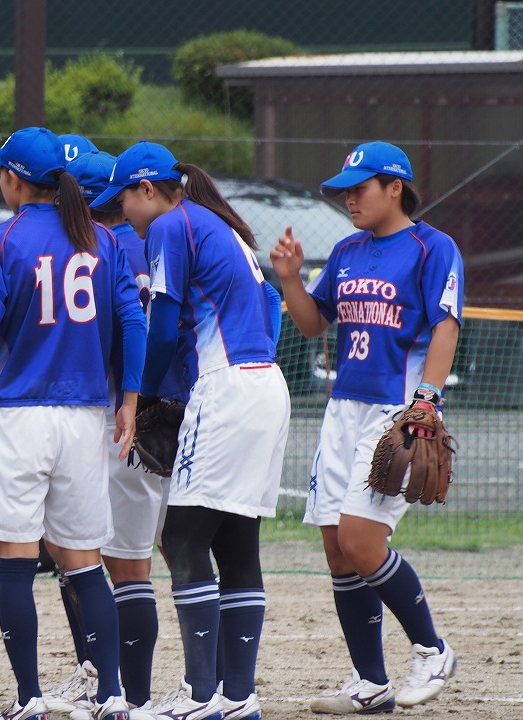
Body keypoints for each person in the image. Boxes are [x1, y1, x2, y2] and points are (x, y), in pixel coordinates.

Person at [91, 140, 290, 720]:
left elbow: (158, 328)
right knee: (234, 543)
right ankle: (237, 697)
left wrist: (143, 393)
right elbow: (269, 305)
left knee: (181, 538)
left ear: (147, 189)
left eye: (122, 198)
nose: (120, 212)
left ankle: (202, 695)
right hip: (266, 384)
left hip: (226, 387)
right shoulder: (218, 225)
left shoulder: (173, 227)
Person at [0, 127, 145, 720]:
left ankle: (30, 697)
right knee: (84, 561)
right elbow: (132, 324)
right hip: (88, 413)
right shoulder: (100, 238)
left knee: (16, 559)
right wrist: (129, 401)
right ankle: (112, 695)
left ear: (13, 180)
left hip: (23, 412)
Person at [271, 141, 461, 714]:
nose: (349, 199)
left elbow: (445, 326)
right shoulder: (347, 250)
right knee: (336, 547)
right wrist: (290, 281)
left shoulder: (431, 247)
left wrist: (426, 402)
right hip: (343, 408)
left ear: (394, 187)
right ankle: (371, 682)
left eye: (360, 188)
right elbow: (311, 324)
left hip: (398, 410)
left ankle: (432, 648)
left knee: (360, 539)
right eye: (345, 191)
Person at [40, 148, 178, 719]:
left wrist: (133, 396)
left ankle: (126, 692)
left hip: (117, 412)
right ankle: (103, 678)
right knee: (117, 556)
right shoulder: (161, 238)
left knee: (113, 561)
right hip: (158, 410)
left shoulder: (100, 245)